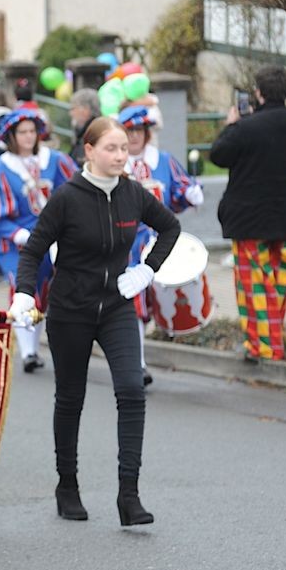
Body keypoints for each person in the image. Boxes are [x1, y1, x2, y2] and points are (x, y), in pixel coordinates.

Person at [9, 116, 180, 526]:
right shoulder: (67, 197)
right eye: (111, 148)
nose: (121, 156)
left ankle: (129, 496)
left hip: (116, 306)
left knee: (131, 390)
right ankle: (67, 486)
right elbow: (33, 251)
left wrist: (146, 269)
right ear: (89, 151)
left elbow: (171, 227)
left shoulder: (133, 194)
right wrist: (24, 294)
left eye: (124, 148)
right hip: (71, 310)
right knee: (71, 399)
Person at [209, 64, 286, 362]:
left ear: (258, 93)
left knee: (253, 288)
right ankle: (271, 339)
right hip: (281, 217)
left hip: (248, 220)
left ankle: (263, 347)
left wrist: (231, 124)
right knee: (277, 284)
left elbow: (218, 155)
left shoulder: (245, 127)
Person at [0, 109, 78, 372]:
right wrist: (18, 234)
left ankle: (35, 346)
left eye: (32, 131)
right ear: (11, 136)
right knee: (22, 288)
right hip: (15, 241)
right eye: (22, 132)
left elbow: (77, 190)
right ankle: (27, 352)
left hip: (53, 238)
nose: (28, 136)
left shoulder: (56, 160)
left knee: (44, 292)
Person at [118, 105, 203, 383]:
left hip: (162, 241)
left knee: (161, 297)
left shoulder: (163, 160)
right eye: (128, 132)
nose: (134, 138)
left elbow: (180, 187)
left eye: (139, 131)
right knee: (135, 303)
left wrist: (191, 192)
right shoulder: (117, 165)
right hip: (129, 244)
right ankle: (138, 364)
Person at [68, 89, 100, 165]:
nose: (70, 113)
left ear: (85, 110)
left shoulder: (94, 135)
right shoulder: (83, 133)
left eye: (73, 108)